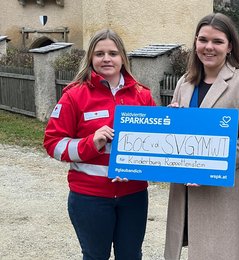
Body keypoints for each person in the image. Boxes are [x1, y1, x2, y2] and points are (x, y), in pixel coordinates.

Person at [43, 29, 156, 260]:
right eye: (99, 53)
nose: (106, 59)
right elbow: (53, 144)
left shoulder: (142, 95)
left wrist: (174, 124)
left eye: (113, 53)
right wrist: (90, 142)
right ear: (90, 58)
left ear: (123, 57)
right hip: (89, 197)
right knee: (95, 256)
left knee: (131, 256)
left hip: (133, 195)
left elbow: (155, 145)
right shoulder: (74, 96)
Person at [164, 13, 239, 260]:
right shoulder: (185, 83)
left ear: (230, 46)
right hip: (187, 186)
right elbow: (177, 136)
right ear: (195, 43)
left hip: (225, 187)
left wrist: (209, 166)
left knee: (222, 252)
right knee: (194, 250)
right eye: (203, 40)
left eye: (217, 41)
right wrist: (169, 124)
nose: (209, 47)